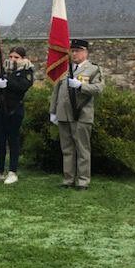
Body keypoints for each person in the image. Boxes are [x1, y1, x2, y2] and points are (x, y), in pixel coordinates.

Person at [49, 38, 105, 190]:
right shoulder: (64, 69)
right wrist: (53, 111)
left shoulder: (92, 69)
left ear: (85, 52)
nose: (74, 54)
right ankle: (68, 180)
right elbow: (56, 91)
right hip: (63, 114)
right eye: (72, 51)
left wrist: (81, 86)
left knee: (82, 149)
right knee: (67, 149)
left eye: (77, 51)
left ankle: (82, 181)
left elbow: (99, 88)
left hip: (82, 114)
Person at [0, 46, 35, 184]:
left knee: (13, 140)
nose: (13, 59)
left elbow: (23, 86)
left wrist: (7, 82)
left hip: (15, 110)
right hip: (1, 109)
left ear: (23, 59)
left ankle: (13, 171)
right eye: (11, 56)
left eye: (16, 57)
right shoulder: (5, 70)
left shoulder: (27, 71)